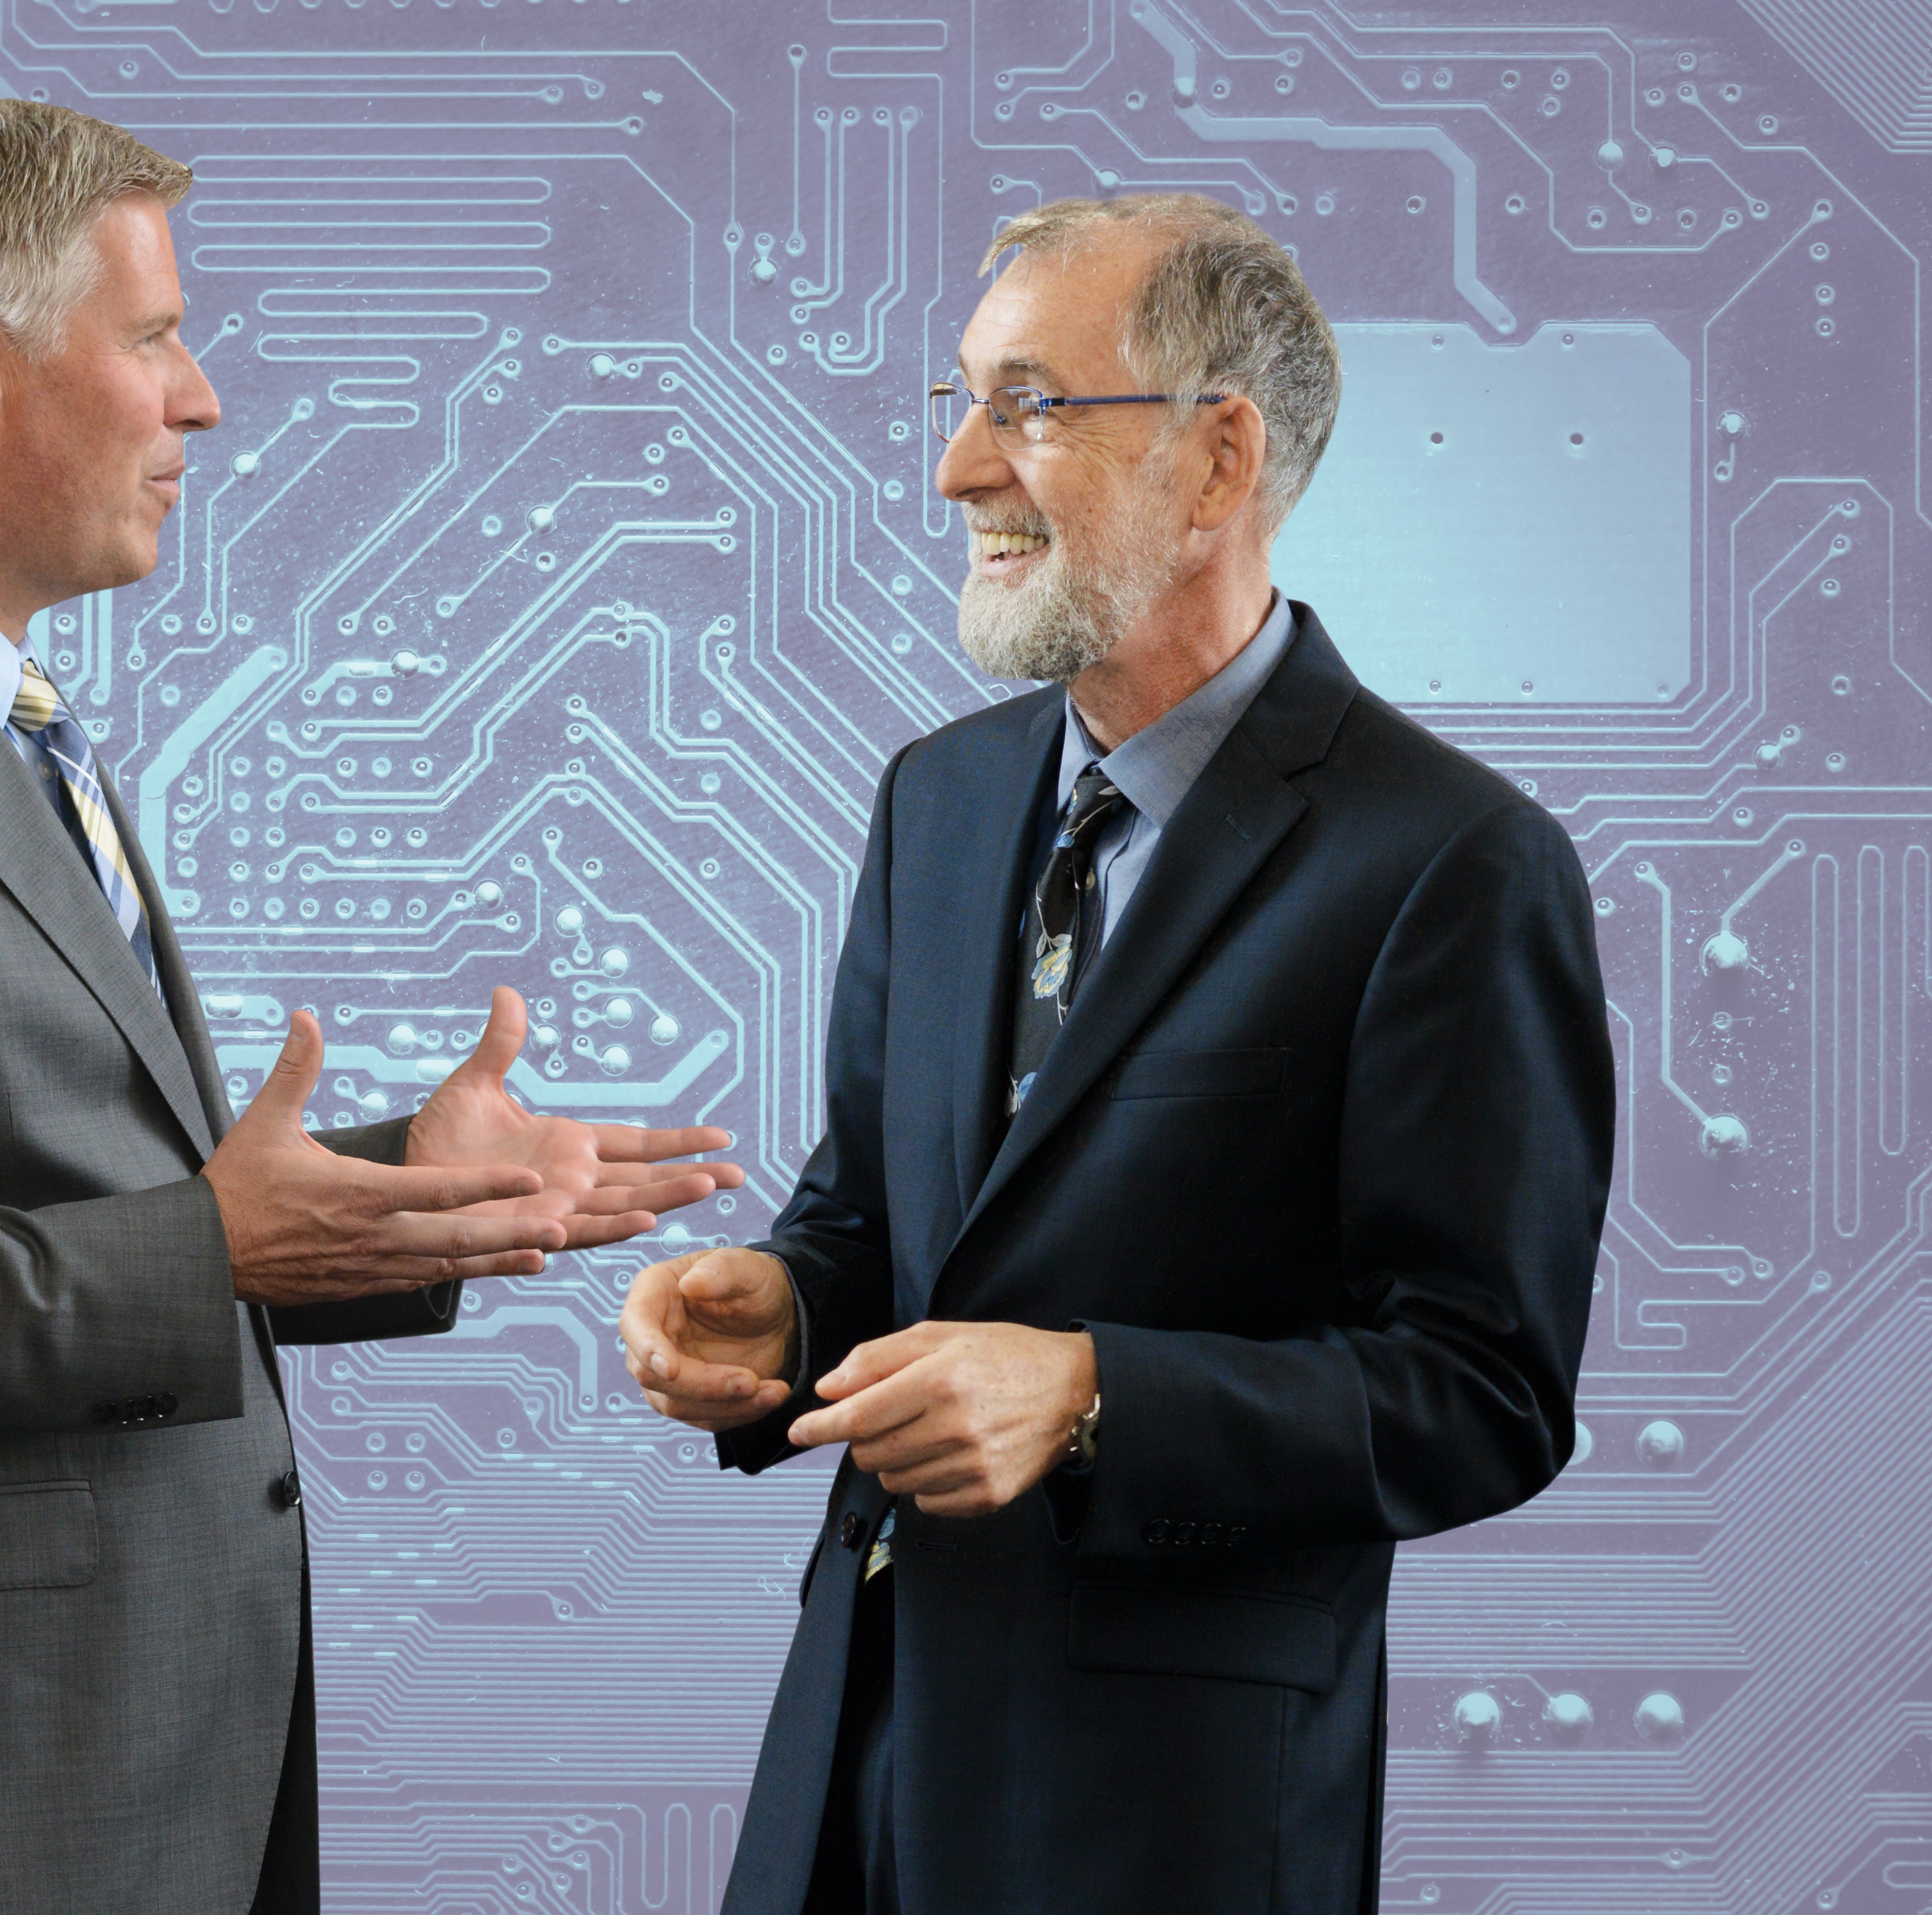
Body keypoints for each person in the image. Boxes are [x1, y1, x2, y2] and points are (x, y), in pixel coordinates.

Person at [0, 101, 744, 1915]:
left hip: (96, 1784)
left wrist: (393, 1190)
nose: (202, 400)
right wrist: (217, 1249)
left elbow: (52, 1175)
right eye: (158, 335)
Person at [618, 194, 1612, 1914]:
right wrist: (779, 1310)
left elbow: (1481, 1392)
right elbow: (874, 1219)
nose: (956, 473)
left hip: (1174, 1820)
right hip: (859, 1754)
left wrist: (1090, 1395)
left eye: (1028, 405)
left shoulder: (1451, 864)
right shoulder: (937, 801)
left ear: (1217, 460)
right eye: (958, 402)